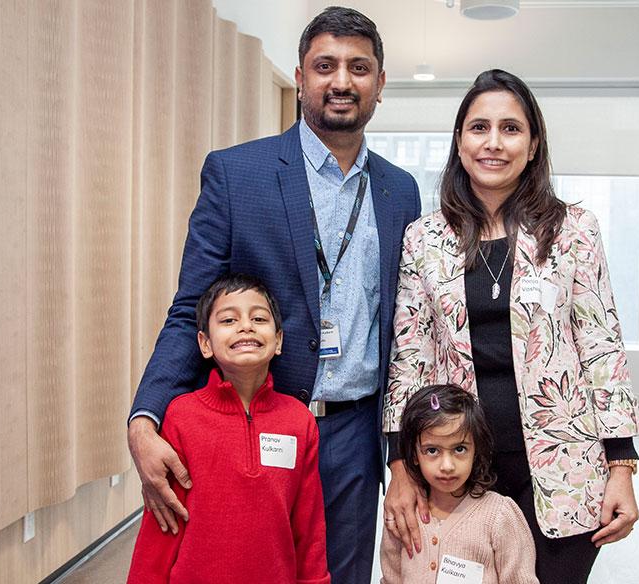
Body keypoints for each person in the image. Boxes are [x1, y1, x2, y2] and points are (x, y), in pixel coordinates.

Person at [126, 7, 421, 583]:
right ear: (301, 77)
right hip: (255, 424)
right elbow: (192, 306)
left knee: (340, 575)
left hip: (354, 435)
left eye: (359, 67)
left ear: (380, 84)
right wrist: (145, 417)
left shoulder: (399, 190)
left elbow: (405, 327)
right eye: (325, 66)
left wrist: (405, 451)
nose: (342, 81)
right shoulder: (238, 173)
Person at [382, 69, 639, 584]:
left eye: (510, 128)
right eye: (479, 128)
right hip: (459, 466)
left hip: (564, 468)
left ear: (533, 143)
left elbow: (602, 348)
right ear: (459, 142)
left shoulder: (573, 232)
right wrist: (400, 467)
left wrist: (622, 466)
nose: (493, 143)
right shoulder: (424, 238)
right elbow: (409, 356)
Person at [127, 274, 329, 584]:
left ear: (279, 341)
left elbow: (309, 526)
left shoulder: (299, 422)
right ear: (205, 344)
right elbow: (162, 525)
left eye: (259, 317)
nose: (245, 326)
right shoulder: (182, 417)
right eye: (229, 319)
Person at [380, 385, 539, 584]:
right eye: (432, 451)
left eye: (460, 449)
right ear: (414, 454)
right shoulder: (403, 516)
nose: (447, 466)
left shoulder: (499, 515)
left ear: (476, 450)